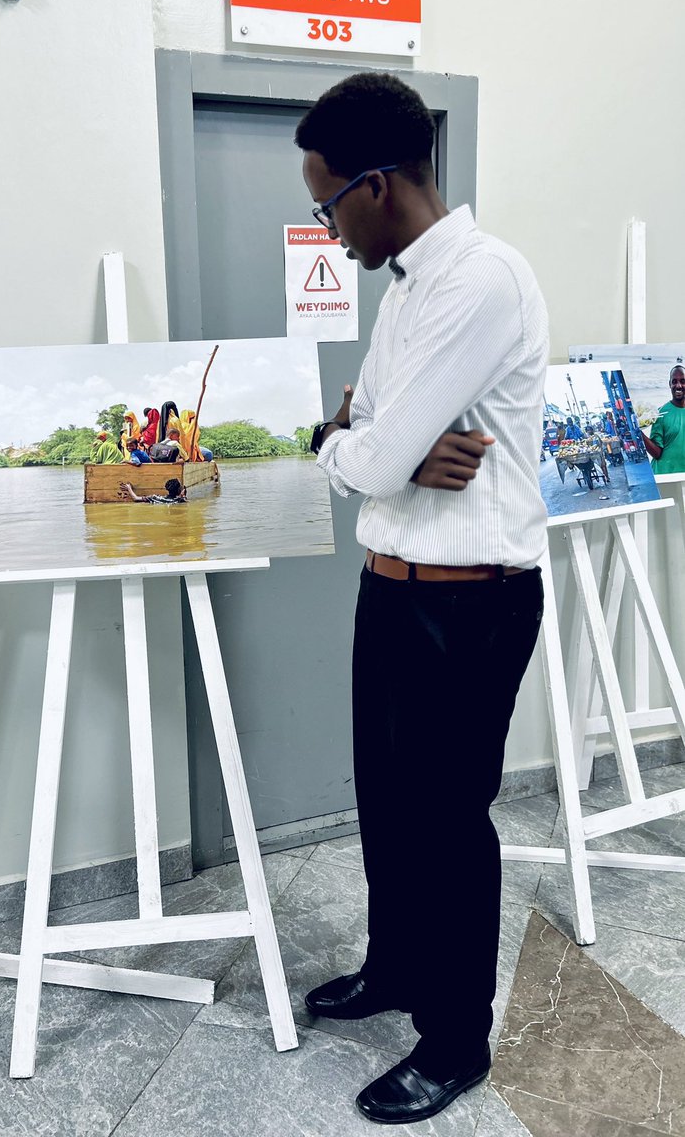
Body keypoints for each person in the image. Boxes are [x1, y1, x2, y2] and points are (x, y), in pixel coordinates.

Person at [296, 71, 547, 1126]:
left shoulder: (481, 281)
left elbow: (372, 448)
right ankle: (396, 969)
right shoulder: (405, 284)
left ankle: (456, 1039)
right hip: (392, 588)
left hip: (471, 602)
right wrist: (359, 441)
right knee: (390, 806)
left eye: (326, 203)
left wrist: (367, 445)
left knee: (448, 823)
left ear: (380, 183)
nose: (325, 227)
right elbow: (362, 439)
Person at [642, 365, 685, 473]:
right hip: (665, 476)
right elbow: (657, 453)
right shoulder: (661, 413)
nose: (678, 385)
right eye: (674, 381)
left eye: (683, 381)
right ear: (669, 384)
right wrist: (639, 433)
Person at [118, 478, 187, 503]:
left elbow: (136, 498)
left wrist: (129, 488)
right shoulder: (179, 501)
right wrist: (183, 495)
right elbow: (184, 498)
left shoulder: (155, 498)